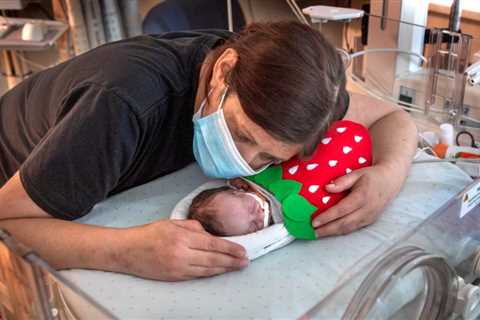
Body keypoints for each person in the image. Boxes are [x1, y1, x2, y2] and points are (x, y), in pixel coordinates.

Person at [0, 21, 417, 281]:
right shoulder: (123, 107)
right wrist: (124, 252)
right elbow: (6, 221)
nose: (245, 165)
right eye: (243, 135)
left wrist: (388, 176)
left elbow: (392, 119)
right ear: (222, 71)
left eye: (270, 159)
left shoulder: (288, 88)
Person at [188, 120, 372, 238]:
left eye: (252, 207)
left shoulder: (252, 176)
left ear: (239, 187)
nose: (259, 216)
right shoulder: (275, 228)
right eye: (252, 226)